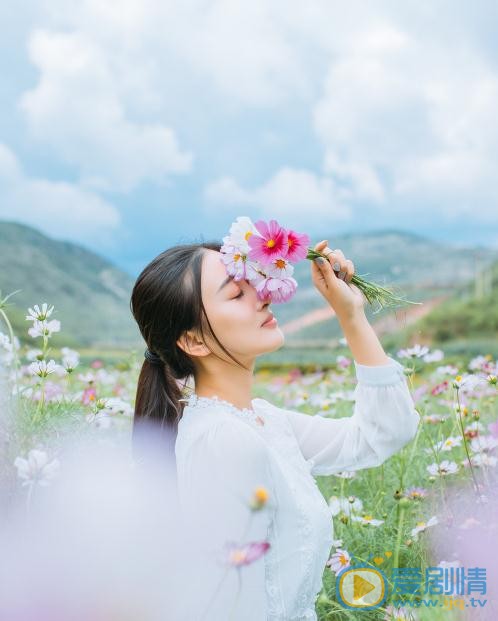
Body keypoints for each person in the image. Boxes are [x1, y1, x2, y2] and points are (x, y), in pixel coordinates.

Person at [129, 238, 420, 620]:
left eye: (253, 281)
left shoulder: (262, 421)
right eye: (236, 294)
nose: (263, 296)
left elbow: (382, 433)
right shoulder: (224, 440)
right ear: (194, 341)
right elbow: (232, 608)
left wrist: (351, 315)